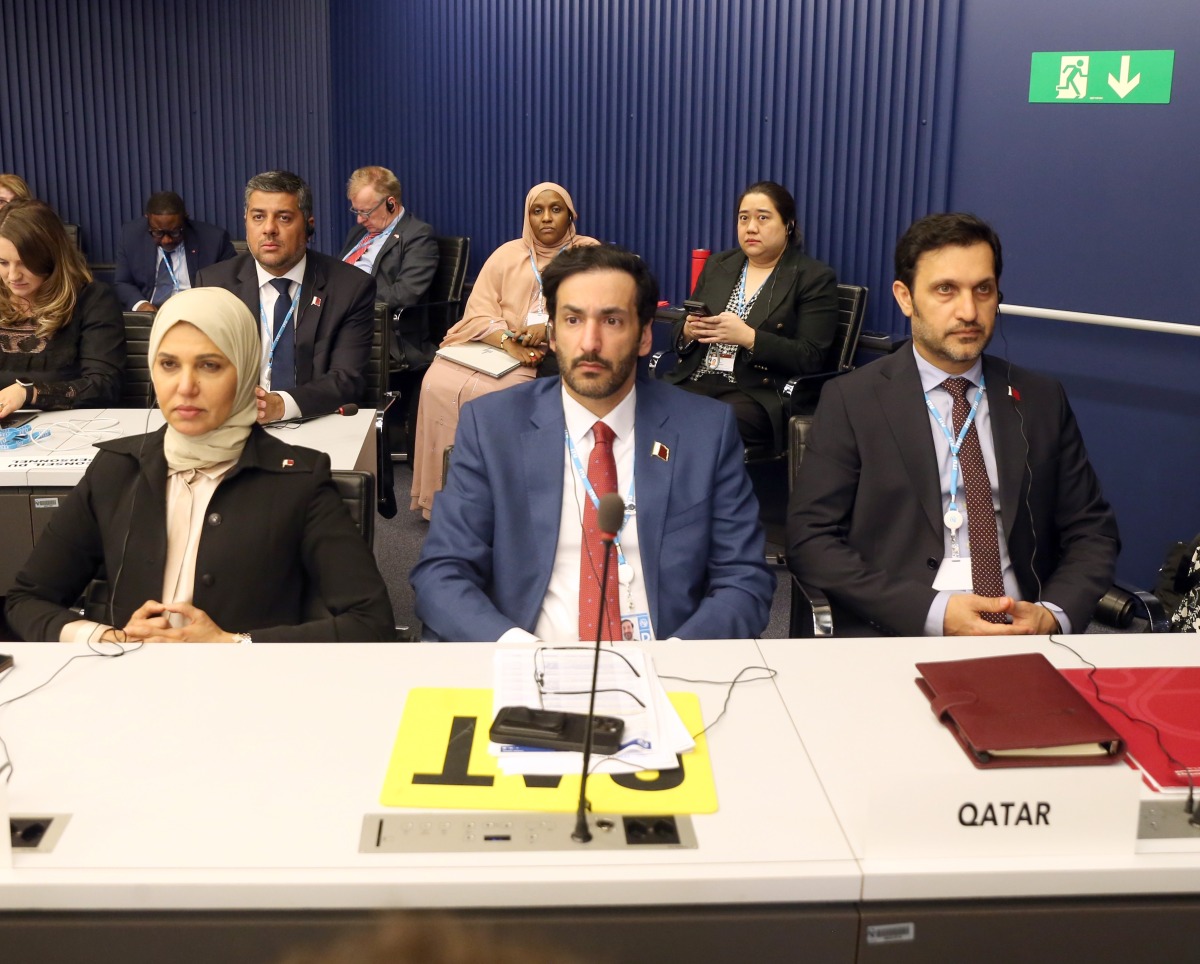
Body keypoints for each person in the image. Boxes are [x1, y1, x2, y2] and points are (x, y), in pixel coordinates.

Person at [411, 244, 774, 642]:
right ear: (551, 333)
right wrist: (516, 649)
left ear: (644, 335)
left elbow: (744, 580)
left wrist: (677, 657)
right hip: (528, 661)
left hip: (665, 667)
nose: (589, 342)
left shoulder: (705, 430)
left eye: (612, 321)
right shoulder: (493, 426)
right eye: (572, 319)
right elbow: (442, 574)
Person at [786, 212, 1119, 637]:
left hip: (1022, 631)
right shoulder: (853, 400)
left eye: (983, 290)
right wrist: (933, 613)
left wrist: (1052, 614)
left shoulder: (1039, 399)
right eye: (946, 290)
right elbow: (810, 541)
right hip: (901, 630)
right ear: (905, 298)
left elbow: (1092, 531)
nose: (969, 310)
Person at [5, 287, 396, 644]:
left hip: (248, 699)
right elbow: (26, 600)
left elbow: (370, 621)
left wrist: (232, 645)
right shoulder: (116, 469)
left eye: (209, 366)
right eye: (169, 364)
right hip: (128, 692)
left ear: (244, 373)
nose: (185, 386)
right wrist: (107, 637)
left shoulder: (297, 479)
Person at [409, 181, 598, 518]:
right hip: (497, 346)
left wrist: (549, 329)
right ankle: (443, 501)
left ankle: (498, 510)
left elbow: (598, 310)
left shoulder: (588, 255)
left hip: (552, 353)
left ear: (572, 214)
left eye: (556, 209)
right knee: (436, 381)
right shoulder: (507, 253)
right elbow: (479, 311)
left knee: (502, 393)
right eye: (537, 211)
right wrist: (508, 341)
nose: (546, 218)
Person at [663, 181, 839, 448]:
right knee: (645, 407)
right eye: (743, 218)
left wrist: (749, 338)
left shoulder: (812, 277)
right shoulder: (718, 265)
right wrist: (688, 332)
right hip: (697, 377)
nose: (751, 227)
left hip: (754, 392)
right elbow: (680, 329)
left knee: (703, 424)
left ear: (788, 224)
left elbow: (811, 357)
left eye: (763, 218)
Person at [197, 170, 376, 423]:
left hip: (316, 420)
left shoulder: (350, 287)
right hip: (234, 422)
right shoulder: (214, 285)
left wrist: (281, 405)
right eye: (258, 217)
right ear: (246, 222)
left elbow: (347, 379)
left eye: (283, 217)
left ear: (308, 225)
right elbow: (200, 368)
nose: (269, 229)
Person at [0, 199, 125, 416]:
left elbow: (104, 385)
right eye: (2, 263)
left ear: (51, 257)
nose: (12, 276)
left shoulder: (92, 299)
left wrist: (31, 393)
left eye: (24, 263)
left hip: (70, 432)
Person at [339, 165, 438, 360]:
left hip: (380, 329)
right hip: (341, 318)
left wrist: (351, 303)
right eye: (356, 211)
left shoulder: (417, 235)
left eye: (366, 212)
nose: (359, 220)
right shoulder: (358, 233)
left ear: (390, 204)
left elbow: (404, 294)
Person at [112, 190, 236, 312]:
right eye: (158, 233)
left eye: (174, 232)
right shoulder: (131, 236)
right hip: (152, 317)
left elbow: (232, 283)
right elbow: (122, 282)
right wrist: (141, 305)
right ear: (147, 220)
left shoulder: (214, 240)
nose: (166, 240)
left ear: (185, 219)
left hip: (198, 314)